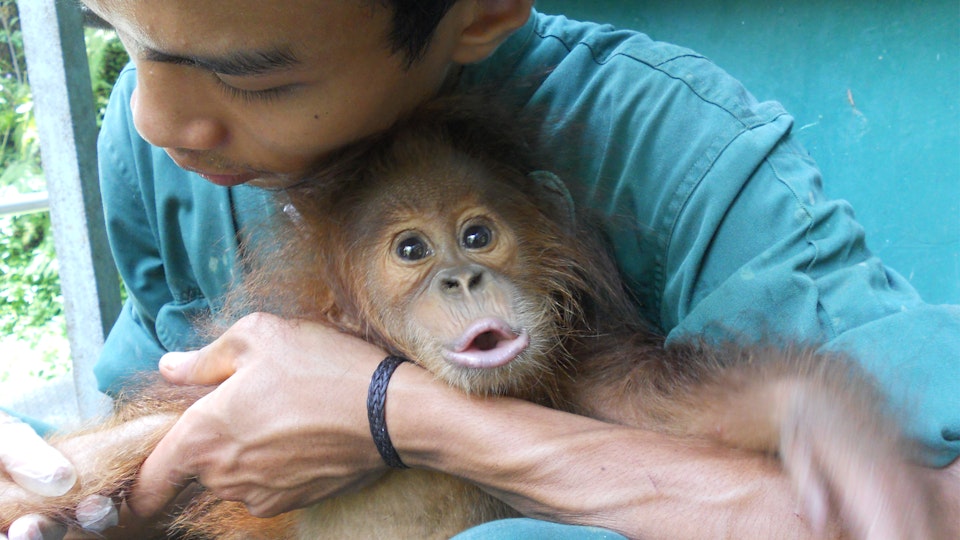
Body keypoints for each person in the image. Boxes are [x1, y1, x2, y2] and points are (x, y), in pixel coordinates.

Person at [2, 1, 957, 538]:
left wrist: (396, 413)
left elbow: (919, 508)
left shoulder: (672, 148)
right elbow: (149, 447)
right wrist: (49, 480)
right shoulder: (157, 157)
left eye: (257, 78)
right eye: (119, 37)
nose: (156, 122)